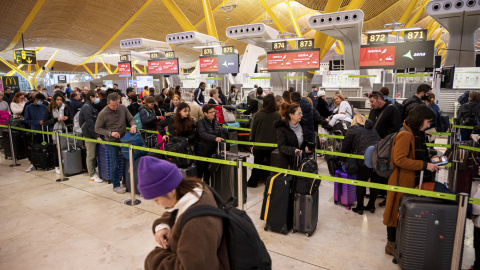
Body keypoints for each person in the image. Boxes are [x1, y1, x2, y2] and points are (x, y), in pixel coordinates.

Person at [137, 157, 229, 270]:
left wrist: (154, 259)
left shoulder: (197, 225)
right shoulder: (198, 191)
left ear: (171, 192)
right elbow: (178, 210)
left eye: (156, 200)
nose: (157, 204)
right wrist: (163, 225)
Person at [383, 105, 440, 256]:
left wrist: (431, 163)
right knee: (396, 213)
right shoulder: (406, 135)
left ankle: (401, 243)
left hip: (410, 180)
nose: (428, 126)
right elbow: (400, 159)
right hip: (401, 181)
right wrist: (425, 165)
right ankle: (391, 245)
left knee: (403, 213)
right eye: (427, 122)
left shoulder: (417, 133)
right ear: (419, 119)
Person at [95, 93, 137, 194]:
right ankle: (116, 185)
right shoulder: (103, 113)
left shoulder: (122, 108)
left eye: (117, 104)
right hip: (111, 142)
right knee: (114, 163)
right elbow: (97, 128)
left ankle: (125, 181)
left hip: (124, 140)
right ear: (108, 103)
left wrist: (133, 125)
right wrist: (110, 133)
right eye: (113, 105)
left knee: (125, 161)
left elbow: (131, 118)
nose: (116, 107)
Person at [340, 114, 381, 215]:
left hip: (364, 160)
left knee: (361, 183)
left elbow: (345, 146)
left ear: (354, 120)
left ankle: (360, 207)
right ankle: (371, 206)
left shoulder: (352, 129)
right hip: (378, 159)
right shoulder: (373, 129)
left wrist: (341, 159)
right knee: (375, 183)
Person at [248, 95, 281, 187]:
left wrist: (251, 142)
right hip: (273, 145)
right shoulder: (277, 115)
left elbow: (253, 130)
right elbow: (279, 130)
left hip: (259, 145)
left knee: (257, 164)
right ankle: (269, 182)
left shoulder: (258, 114)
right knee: (270, 166)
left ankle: (253, 182)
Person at [195, 104, 228, 184]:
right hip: (202, 152)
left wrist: (222, 149)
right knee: (199, 175)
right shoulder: (200, 122)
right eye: (211, 112)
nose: (213, 113)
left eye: (214, 111)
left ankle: (207, 191)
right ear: (205, 113)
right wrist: (214, 138)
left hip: (212, 152)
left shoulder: (215, 122)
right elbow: (203, 134)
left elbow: (219, 136)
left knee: (208, 174)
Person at [274, 103, 314, 169]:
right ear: (291, 115)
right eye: (299, 113)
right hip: (286, 162)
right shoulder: (282, 127)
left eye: (301, 113)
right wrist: (294, 150)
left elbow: (302, 142)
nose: (301, 115)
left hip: (299, 161)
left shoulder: (302, 125)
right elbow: (281, 146)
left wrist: (307, 147)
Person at [43, 93, 73, 175]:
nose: (59, 101)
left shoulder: (65, 107)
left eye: (61, 100)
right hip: (55, 131)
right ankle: (56, 166)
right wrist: (56, 119)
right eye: (58, 100)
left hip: (65, 130)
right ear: (54, 100)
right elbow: (46, 121)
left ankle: (65, 163)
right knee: (56, 149)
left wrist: (67, 118)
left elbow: (71, 118)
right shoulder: (49, 108)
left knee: (65, 147)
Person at [78, 90, 102, 183]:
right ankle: (92, 175)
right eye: (96, 96)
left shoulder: (91, 106)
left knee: (93, 154)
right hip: (89, 134)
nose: (97, 98)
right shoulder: (87, 107)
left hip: (92, 133)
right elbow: (90, 123)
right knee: (91, 155)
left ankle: (93, 172)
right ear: (91, 97)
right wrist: (97, 136)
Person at [24, 94, 47, 173]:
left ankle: (45, 161)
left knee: (44, 145)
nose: (41, 102)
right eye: (40, 100)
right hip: (35, 131)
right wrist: (37, 122)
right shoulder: (29, 108)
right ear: (36, 99)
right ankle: (34, 163)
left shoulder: (44, 107)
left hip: (45, 130)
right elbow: (27, 120)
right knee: (35, 147)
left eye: (42, 101)